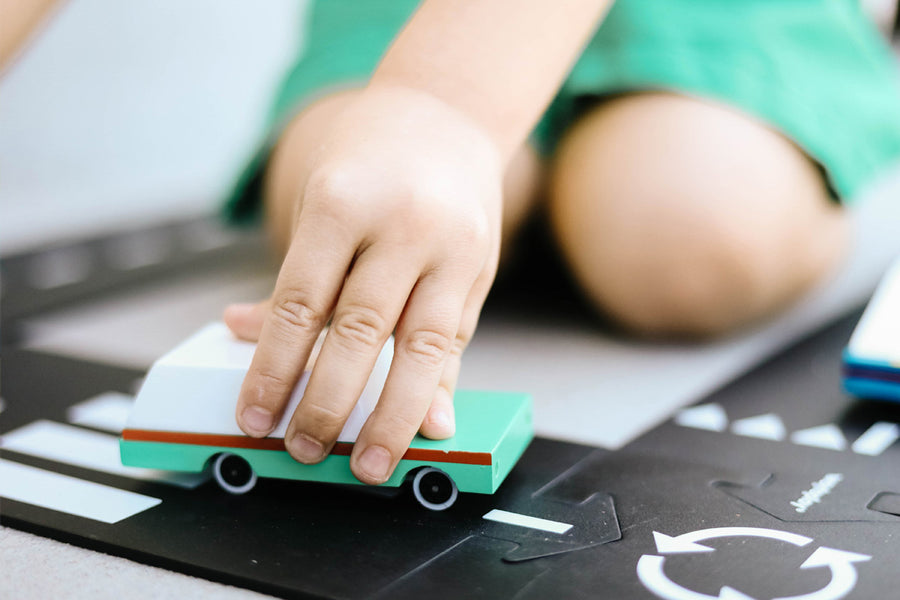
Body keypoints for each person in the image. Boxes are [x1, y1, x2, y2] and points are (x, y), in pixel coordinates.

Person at [221, 0, 900, 487]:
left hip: (719, 18)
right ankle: (503, 201)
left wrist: (440, 106)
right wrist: (424, 112)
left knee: (692, 232)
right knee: (348, 211)